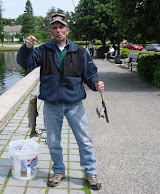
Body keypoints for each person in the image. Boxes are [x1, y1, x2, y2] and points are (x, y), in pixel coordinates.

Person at [17, 13, 104, 190]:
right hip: (51, 104)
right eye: (55, 28)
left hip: (74, 104)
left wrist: (96, 83)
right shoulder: (42, 50)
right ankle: (58, 170)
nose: (58, 31)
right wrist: (27, 47)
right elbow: (26, 64)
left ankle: (90, 172)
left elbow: (90, 74)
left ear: (67, 30)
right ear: (50, 32)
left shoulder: (80, 52)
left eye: (61, 27)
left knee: (84, 140)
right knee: (54, 141)